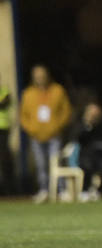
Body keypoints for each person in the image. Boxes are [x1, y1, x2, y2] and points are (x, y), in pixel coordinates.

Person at [20, 65, 72, 202]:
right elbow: (23, 115)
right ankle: (44, 190)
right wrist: (31, 129)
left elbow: (66, 111)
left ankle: (62, 190)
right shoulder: (28, 93)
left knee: (56, 162)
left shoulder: (58, 91)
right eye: (37, 76)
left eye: (42, 76)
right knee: (40, 164)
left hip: (54, 135)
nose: (40, 79)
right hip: (36, 136)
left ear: (47, 76)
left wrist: (57, 127)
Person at [74, 101, 102, 201]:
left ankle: (98, 191)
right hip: (87, 157)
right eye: (92, 113)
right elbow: (78, 139)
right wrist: (88, 125)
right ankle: (85, 191)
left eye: (96, 113)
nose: (94, 116)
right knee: (87, 165)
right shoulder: (82, 125)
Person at [0, 73, 15, 194]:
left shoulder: (4, 91)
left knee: (4, 158)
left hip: (3, 130)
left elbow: (4, 103)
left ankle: (9, 189)